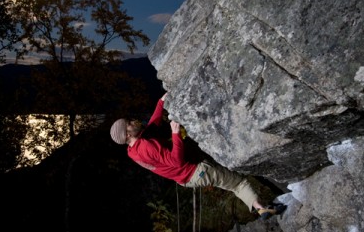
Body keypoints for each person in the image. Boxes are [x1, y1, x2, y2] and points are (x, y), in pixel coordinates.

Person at [110, 93, 285, 219]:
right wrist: (175, 133)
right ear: (127, 135)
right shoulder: (146, 147)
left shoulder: (133, 150)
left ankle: (261, 206)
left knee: (232, 183)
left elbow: (152, 127)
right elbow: (175, 161)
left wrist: (160, 102)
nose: (133, 122)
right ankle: (261, 208)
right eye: (129, 124)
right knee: (239, 183)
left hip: (188, 177)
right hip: (195, 171)